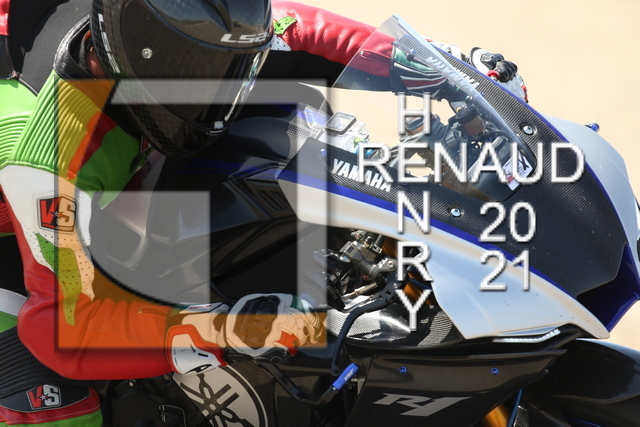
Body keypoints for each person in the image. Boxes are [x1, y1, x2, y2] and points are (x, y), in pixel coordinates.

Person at [0, 0, 526, 424]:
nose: (223, 89)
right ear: (143, 58)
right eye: (202, 72)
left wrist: (448, 74)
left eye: (231, 65)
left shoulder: (181, 27)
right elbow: (59, 326)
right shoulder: (46, 156)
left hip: (103, 171)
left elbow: (296, 31)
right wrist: (225, 330)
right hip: (14, 247)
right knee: (54, 407)